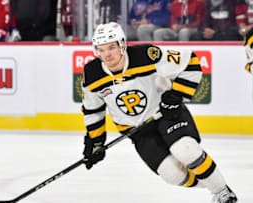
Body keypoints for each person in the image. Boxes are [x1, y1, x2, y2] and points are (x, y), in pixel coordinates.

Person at [81, 22, 238, 203]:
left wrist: (175, 96)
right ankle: (213, 182)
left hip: (166, 114)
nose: (107, 54)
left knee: (185, 149)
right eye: (101, 50)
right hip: (138, 132)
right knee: (172, 174)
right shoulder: (91, 73)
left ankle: (222, 192)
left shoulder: (146, 55)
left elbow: (190, 62)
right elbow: (93, 110)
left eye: (111, 47)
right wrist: (96, 142)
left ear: (122, 44)